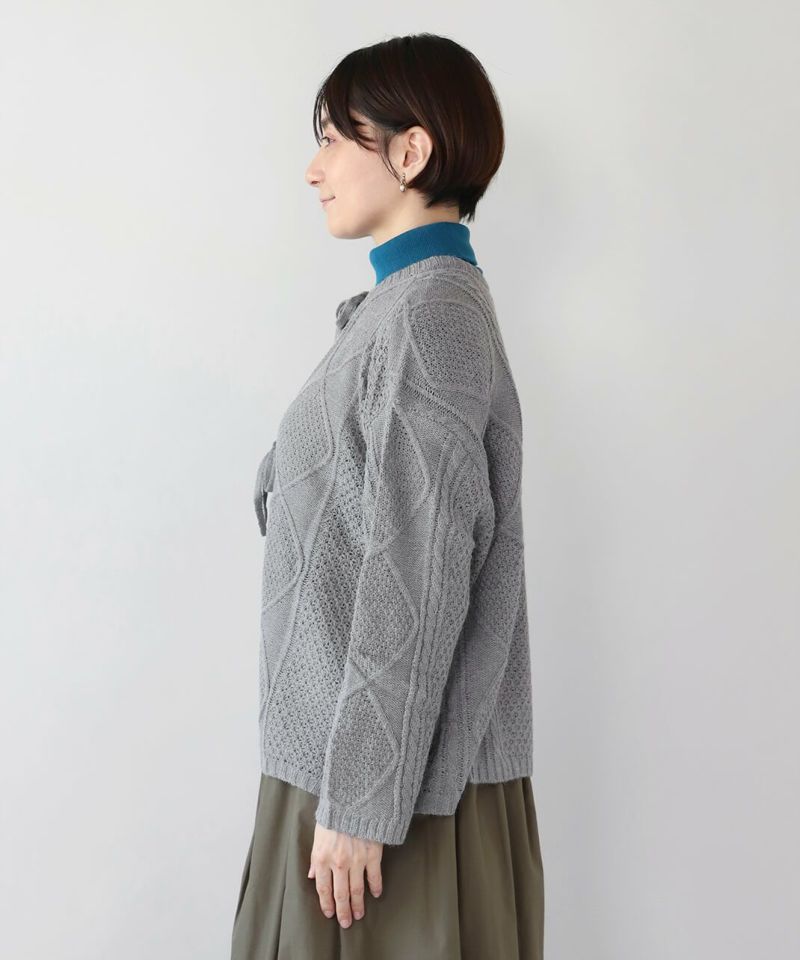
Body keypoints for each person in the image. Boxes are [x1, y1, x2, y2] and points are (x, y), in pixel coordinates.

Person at [231, 32, 545, 959]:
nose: (313, 169)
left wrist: (362, 802)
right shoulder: (398, 311)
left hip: (392, 801)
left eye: (334, 138)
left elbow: (415, 571)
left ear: (410, 152)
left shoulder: (431, 316)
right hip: (353, 772)